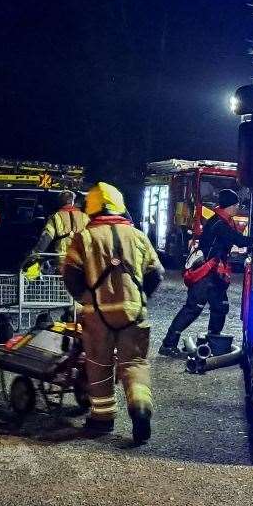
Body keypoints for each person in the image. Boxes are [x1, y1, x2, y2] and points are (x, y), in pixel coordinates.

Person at [62, 182, 163, 444]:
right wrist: (141, 299)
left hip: (98, 313)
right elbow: (156, 273)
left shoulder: (84, 237)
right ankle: (140, 407)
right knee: (135, 364)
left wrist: (86, 298)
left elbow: (71, 274)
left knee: (99, 364)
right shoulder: (138, 236)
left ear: (92, 208)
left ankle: (102, 419)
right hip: (133, 312)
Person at [159, 187, 251, 356]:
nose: (238, 207)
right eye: (236, 204)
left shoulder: (222, 221)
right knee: (193, 308)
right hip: (206, 273)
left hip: (215, 273)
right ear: (230, 206)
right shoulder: (220, 224)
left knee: (220, 307)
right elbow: (238, 240)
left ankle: (213, 342)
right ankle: (168, 344)